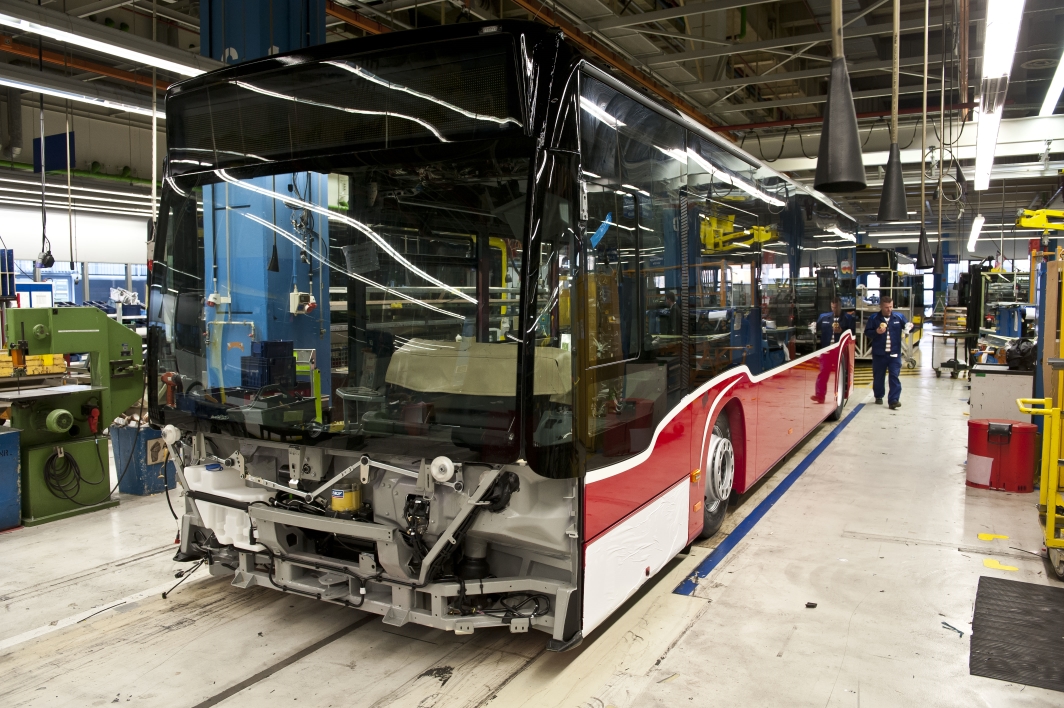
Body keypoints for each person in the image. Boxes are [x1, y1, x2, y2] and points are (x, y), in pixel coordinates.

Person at [864, 296, 913, 409]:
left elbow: (908, 327)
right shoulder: (874, 318)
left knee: (894, 376)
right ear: (881, 306)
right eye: (886, 307)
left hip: (894, 354)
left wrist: (910, 327)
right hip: (879, 354)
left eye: (891, 306)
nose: (889, 309)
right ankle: (879, 395)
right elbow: (867, 332)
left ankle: (894, 400)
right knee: (879, 377)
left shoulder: (898, 317)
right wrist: (876, 331)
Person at [810, 297, 856, 403]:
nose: (834, 310)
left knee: (839, 373)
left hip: (840, 351)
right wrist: (813, 328)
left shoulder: (848, 319)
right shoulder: (824, 317)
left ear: (840, 306)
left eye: (836, 307)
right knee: (823, 372)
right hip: (827, 350)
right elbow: (817, 329)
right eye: (833, 307)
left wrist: (842, 331)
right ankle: (820, 396)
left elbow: (852, 334)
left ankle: (839, 394)